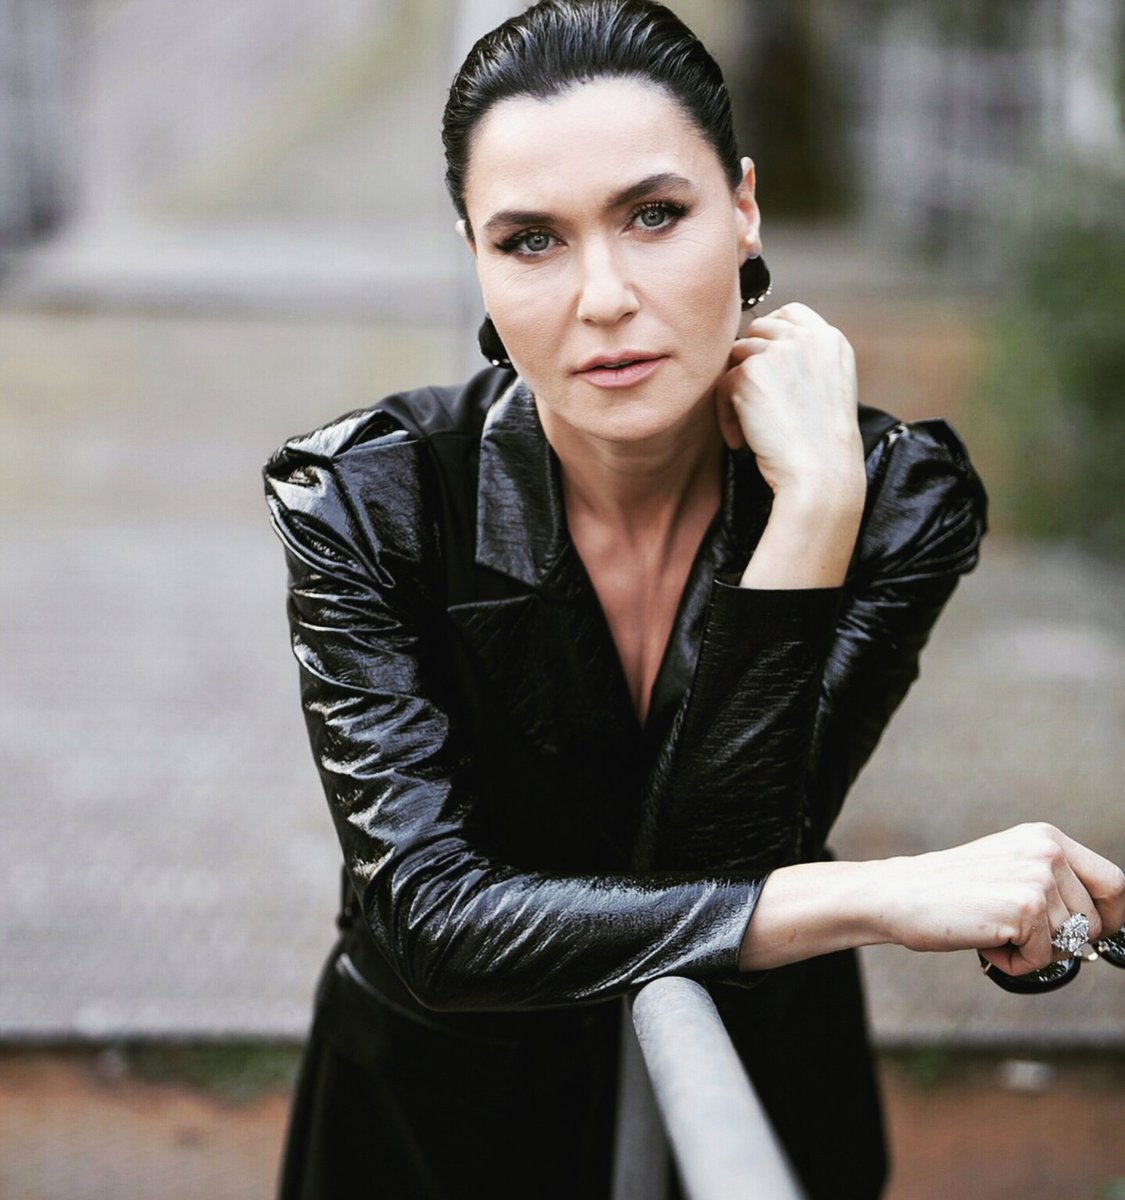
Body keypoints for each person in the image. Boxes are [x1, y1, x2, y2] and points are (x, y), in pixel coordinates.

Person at [263, 2, 1125, 1197]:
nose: (604, 296)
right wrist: (881, 895)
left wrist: (814, 509)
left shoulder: (893, 500)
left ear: (745, 209)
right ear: (475, 256)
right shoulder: (372, 501)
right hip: (439, 1123)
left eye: (655, 215)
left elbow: (723, 850)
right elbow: (432, 918)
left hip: (750, 1108)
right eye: (531, 240)